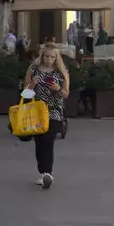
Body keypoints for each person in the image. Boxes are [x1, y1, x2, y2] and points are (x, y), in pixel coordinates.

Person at [21, 42, 69, 189]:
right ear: (42, 56)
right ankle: (43, 173)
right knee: (39, 142)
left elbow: (65, 94)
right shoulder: (33, 69)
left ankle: (48, 173)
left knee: (48, 140)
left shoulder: (62, 72)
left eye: (52, 57)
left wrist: (57, 88)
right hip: (36, 111)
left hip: (53, 110)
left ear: (56, 58)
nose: (49, 59)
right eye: (46, 56)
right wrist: (32, 85)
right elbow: (25, 91)